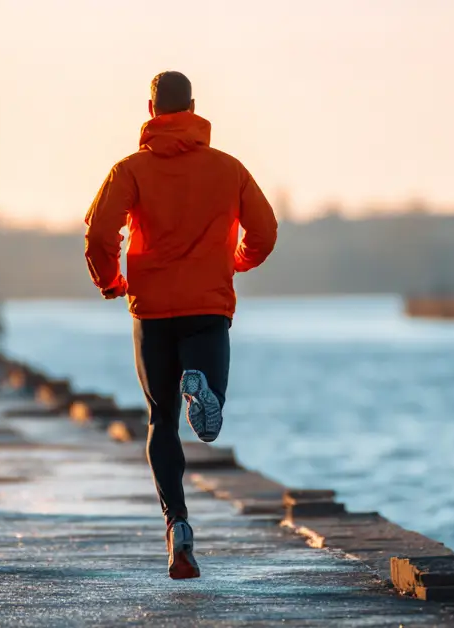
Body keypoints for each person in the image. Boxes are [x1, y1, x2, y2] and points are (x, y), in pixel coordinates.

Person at [83, 71, 278, 580]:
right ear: (193, 107)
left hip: (151, 311)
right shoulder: (229, 169)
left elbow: (101, 230)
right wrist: (234, 261)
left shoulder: (130, 170)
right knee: (209, 407)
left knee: (159, 421)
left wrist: (111, 279)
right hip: (208, 307)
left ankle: (178, 528)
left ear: (151, 110)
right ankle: (203, 384)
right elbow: (265, 230)